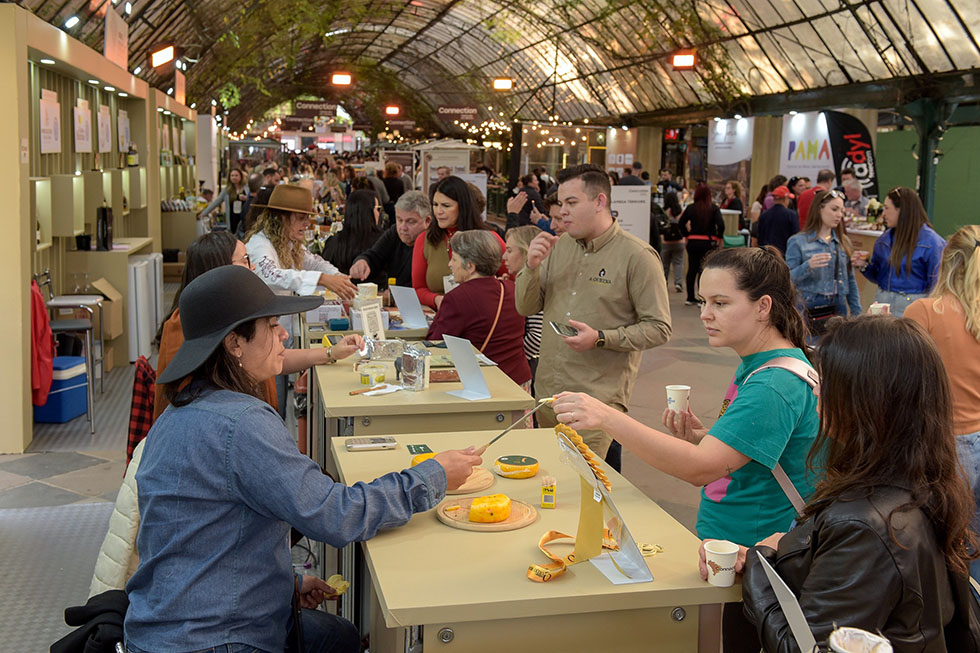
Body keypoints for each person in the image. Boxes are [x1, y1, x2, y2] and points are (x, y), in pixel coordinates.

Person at [124, 265, 481, 653]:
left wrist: (284, 585)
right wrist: (433, 475)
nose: (283, 335)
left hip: (163, 626)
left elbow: (197, 539)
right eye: (272, 324)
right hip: (218, 639)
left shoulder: (177, 415)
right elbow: (337, 515)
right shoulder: (242, 424)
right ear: (234, 344)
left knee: (339, 636)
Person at [553, 246, 819, 652]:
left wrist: (607, 417)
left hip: (751, 556)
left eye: (720, 302)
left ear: (763, 306)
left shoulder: (772, 384)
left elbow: (700, 469)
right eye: (703, 301)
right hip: (739, 548)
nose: (705, 313)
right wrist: (705, 437)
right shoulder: (764, 366)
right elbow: (750, 456)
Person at [738, 317, 980, 651]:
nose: (816, 388)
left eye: (827, 379)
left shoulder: (865, 526)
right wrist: (793, 549)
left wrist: (761, 564)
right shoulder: (925, 484)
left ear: (864, 400)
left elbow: (807, 646)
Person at [515, 163, 671, 464]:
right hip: (547, 396)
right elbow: (526, 307)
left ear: (600, 202)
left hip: (596, 406)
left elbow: (659, 327)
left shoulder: (637, 257)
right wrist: (531, 267)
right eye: (561, 203)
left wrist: (600, 338)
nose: (562, 212)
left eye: (572, 203)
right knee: (552, 492)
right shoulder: (560, 248)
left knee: (591, 498)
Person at [905, 224, 980, 582]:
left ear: (946, 261)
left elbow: (902, 384)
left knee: (943, 546)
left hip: (945, 446)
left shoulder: (926, 311)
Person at [426, 231, 531, 388]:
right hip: (518, 380)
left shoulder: (457, 298)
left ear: (470, 266)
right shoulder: (512, 288)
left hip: (483, 383)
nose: (450, 264)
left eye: (454, 259)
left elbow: (436, 344)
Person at [412, 175, 506, 310]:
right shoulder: (425, 239)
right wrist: (436, 299)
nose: (439, 211)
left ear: (462, 206)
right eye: (435, 204)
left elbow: (513, 279)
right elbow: (418, 288)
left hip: (481, 316)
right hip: (440, 317)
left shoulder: (489, 238)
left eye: (446, 205)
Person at [851, 186, 946, 316]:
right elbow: (879, 276)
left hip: (912, 306)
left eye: (887, 208)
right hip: (882, 302)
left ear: (902, 210)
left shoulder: (932, 243)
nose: (883, 213)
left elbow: (937, 285)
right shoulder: (884, 240)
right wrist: (864, 266)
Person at [785, 190, 862, 335]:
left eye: (841, 211)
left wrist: (857, 312)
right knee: (810, 350)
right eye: (834, 209)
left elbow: (850, 279)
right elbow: (788, 278)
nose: (839, 215)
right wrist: (808, 266)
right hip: (809, 305)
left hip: (838, 305)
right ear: (819, 209)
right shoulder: (798, 241)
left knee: (838, 352)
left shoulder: (843, 242)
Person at [350, 190, 431, 290]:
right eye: (399, 220)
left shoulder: (433, 243)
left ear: (427, 221)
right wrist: (363, 261)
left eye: (411, 222)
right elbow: (374, 255)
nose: (403, 227)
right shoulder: (394, 233)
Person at [502, 225, 544, 388]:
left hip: (529, 370)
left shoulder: (535, 284)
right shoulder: (520, 281)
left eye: (510, 250)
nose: (504, 256)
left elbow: (537, 336)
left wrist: (513, 358)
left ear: (526, 252)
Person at [679, 183, 726, 306]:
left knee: (692, 269)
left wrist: (686, 235)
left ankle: (690, 297)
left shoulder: (690, 208)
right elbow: (721, 224)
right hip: (708, 243)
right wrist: (719, 238)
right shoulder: (714, 208)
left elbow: (681, 223)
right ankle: (702, 299)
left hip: (693, 242)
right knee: (704, 270)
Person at [322, 189, 384, 278]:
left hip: (340, 290)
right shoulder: (382, 243)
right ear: (368, 212)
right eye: (377, 209)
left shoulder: (333, 242)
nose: (379, 213)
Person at [200, 168, 249, 234]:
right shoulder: (226, 190)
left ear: (241, 177)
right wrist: (203, 214)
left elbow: (253, 201)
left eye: (236, 175)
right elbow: (216, 202)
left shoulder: (247, 189)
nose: (234, 177)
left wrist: (247, 199)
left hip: (244, 220)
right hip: (232, 220)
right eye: (232, 175)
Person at [756, 185, 799, 256]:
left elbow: (760, 237)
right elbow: (795, 236)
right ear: (785, 199)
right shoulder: (791, 215)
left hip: (767, 254)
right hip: (785, 254)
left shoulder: (764, 215)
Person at [661, 191, 685, 293]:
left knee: (664, 264)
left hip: (665, 242)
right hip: (679, 241)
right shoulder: (681, 211)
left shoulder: (664, 211)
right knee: (678, 263)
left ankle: (664, 283)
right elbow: (685, 225)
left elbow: (661, 226)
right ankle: (678, 283)